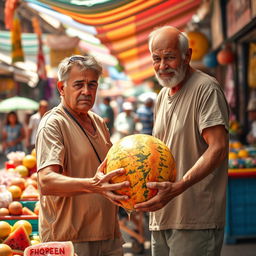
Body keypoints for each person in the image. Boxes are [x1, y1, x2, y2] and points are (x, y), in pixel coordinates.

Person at [134, 26, 230, 256]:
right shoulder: (161, 96)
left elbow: (218, 147)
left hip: (194, 218)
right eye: (156, 59)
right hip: (162, 215)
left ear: (186, 56)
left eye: (169, 57)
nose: (162, 65)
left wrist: (179, 187)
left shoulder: (205, 88)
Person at [35, 55, 130, 256]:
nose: (86, 91)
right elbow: (46, 182)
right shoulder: (53, 124)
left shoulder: (98, 122)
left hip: (109, 235)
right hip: (71, 240)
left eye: (92, 85)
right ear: (61, 88)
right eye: (78, 85)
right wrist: (93, 185)